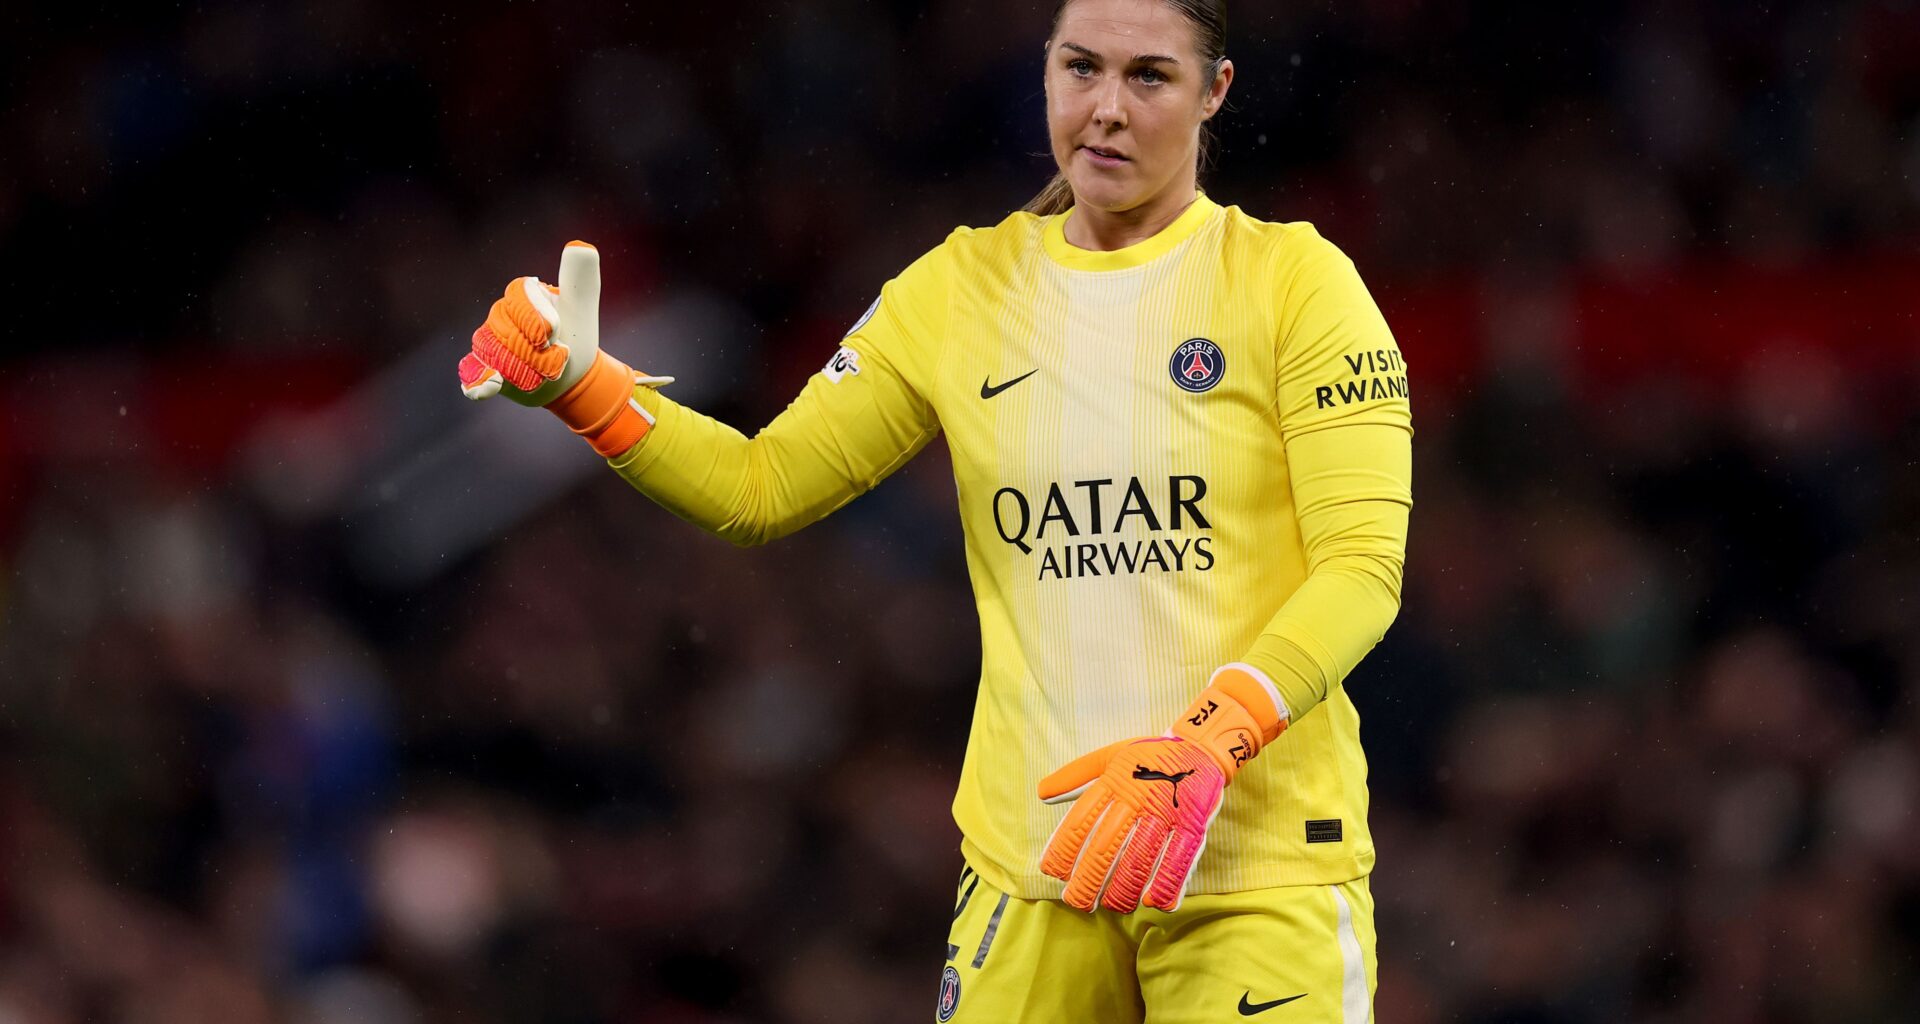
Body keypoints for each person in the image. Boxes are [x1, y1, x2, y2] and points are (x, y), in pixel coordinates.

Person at [456, 0, 1411, 1019]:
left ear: (1214, 91)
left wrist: (1207, 744)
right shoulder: (960, 289)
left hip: (1257, 871)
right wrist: (587, 391)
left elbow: (1361, 568)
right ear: (1045, 70)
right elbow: (759, 488)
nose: (1106, 108)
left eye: (1150, 76)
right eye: (1081, 67)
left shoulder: (1296, 282)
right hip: (1033, 870)